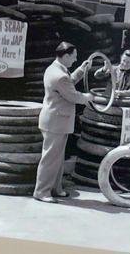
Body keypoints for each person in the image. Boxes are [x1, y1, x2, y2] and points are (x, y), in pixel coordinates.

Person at [34, 42, 94, 203]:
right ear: (66, 56)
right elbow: (73, 96)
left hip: (56, 121)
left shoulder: (56, 69)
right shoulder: (59, 75)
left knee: (57, 158)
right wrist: (89, 97)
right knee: (50, 159)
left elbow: (68, 81)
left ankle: (55, 188)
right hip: (55, 122)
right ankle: (41, 192)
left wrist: (81, 69)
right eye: (73, 58)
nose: (75, 60)